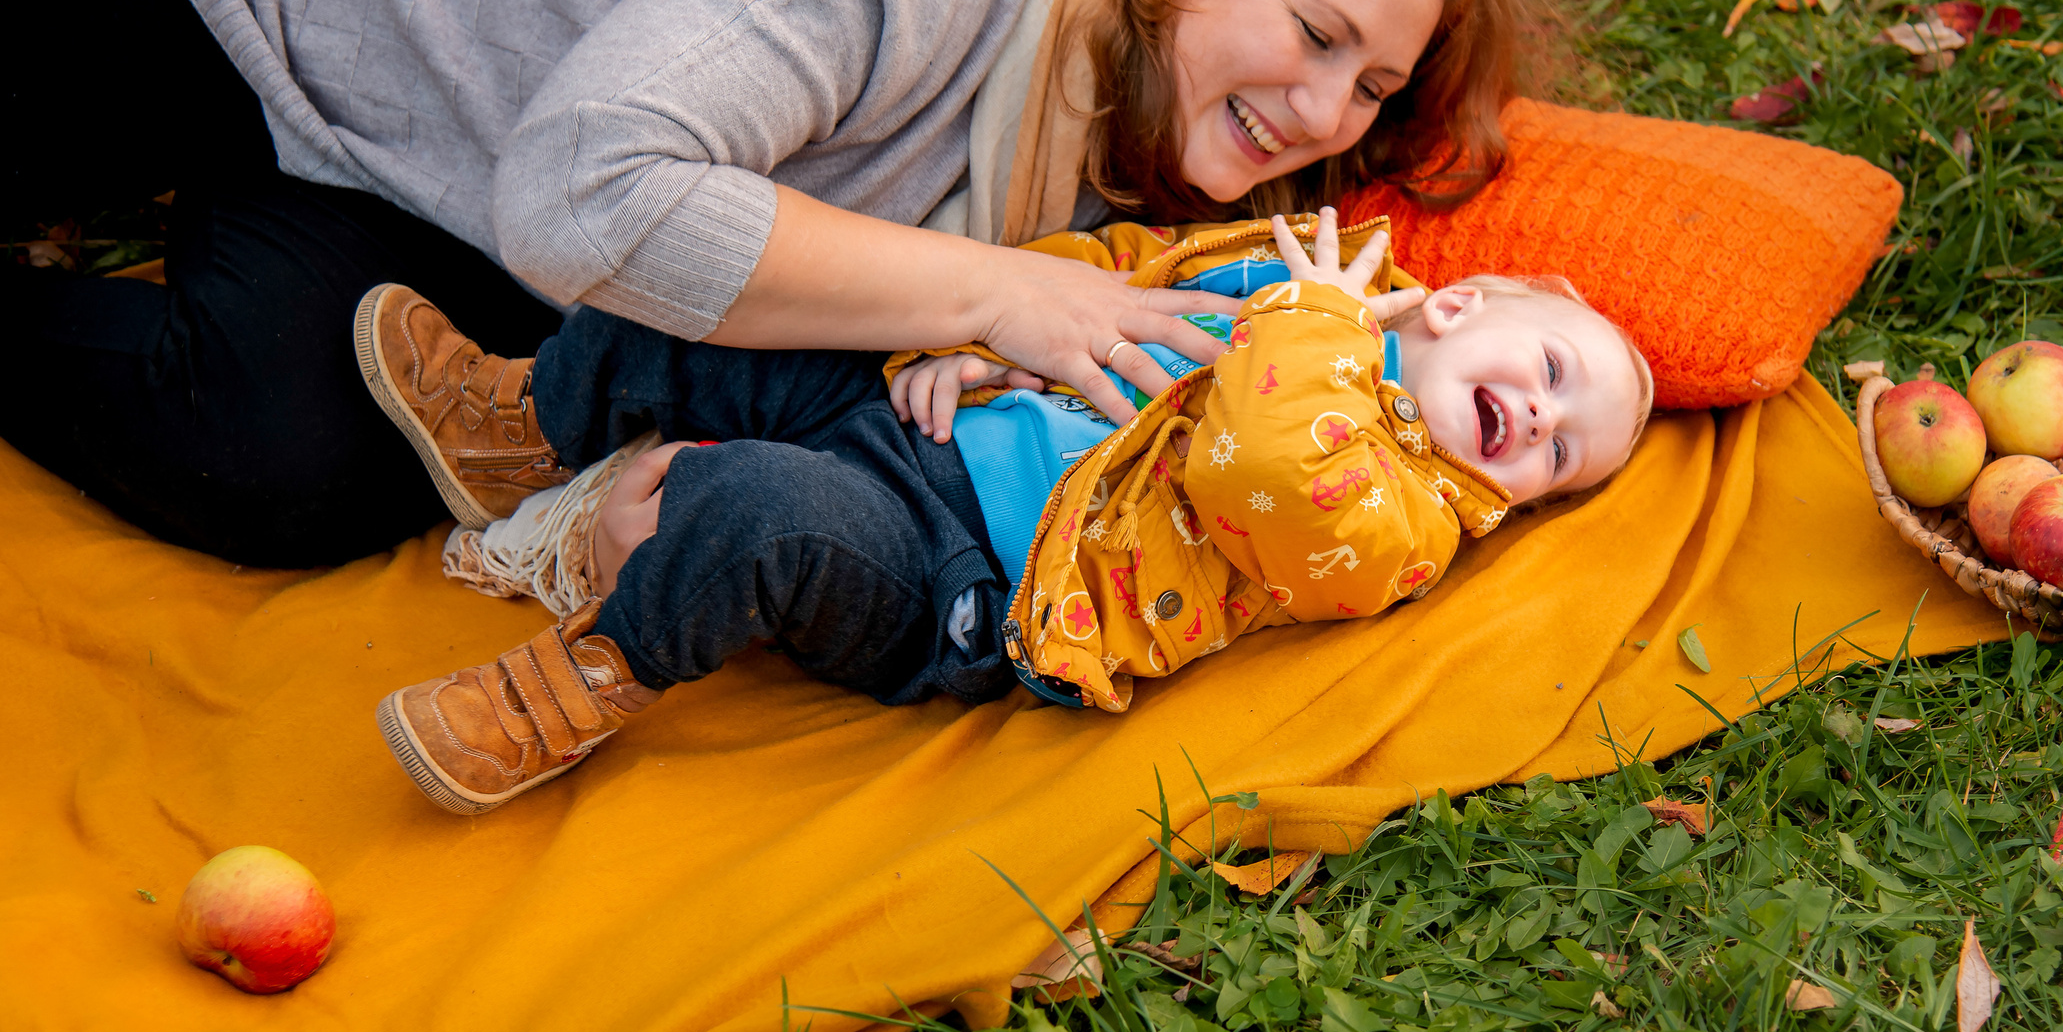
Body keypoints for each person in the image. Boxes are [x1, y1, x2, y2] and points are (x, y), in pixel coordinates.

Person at [0, 0, 1543, 566]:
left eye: (1374, 90)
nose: (1328, 117)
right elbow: (587, 191)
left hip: (431, 179)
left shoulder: (1125, 156)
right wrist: (989, 296)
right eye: (1320, 35)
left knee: (274, 465)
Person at [359, 208, 1653, 815]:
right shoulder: (1290, 281)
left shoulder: (1402, 514)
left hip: (967, 577)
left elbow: (1258, 459)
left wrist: (1312, 319)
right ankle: (521, 424)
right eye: (1553, 374)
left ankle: (584, 676)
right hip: (911, 419)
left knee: (756, 511)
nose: (1541, 422)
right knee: (713, 309)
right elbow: (1116, 302)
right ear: (1461, 301)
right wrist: (983, 341)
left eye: (1562, 454)